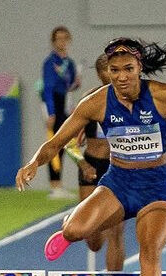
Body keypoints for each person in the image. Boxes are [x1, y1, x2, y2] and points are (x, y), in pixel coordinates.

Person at [16, 37, 166, 276]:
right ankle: (71, 225)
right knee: (74, 232)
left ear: (139, 67)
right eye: (115, 70)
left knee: (150, 253)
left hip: (155, 189)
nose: (121, 77)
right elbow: (56, 143)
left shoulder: (164, 94)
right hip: (117, 184)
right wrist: (34, 162)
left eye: (128, 69)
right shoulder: (95, 103)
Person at [62, 54, 125, 270]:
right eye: (110, 70)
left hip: (119, 169)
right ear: (100, 74)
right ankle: (72, 222)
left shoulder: (131, 100)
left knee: (116, 232)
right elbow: (69, 142)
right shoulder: (89, 101)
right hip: (92, 167)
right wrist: (83, 164)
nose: (116, 75)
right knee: (94, 241)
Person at [41, 25, 81, 199]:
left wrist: (76, 84)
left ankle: (59, 185)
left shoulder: (69, 63)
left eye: (65, 38)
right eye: (59, 39)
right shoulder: (50, 62)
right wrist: (50, 112)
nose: (62, 42)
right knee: (55, 143)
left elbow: (69, 86)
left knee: (67, 142)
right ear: (53, 42)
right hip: (54, 104)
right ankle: (54, 185)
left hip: (65, 103)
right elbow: (48, 89)